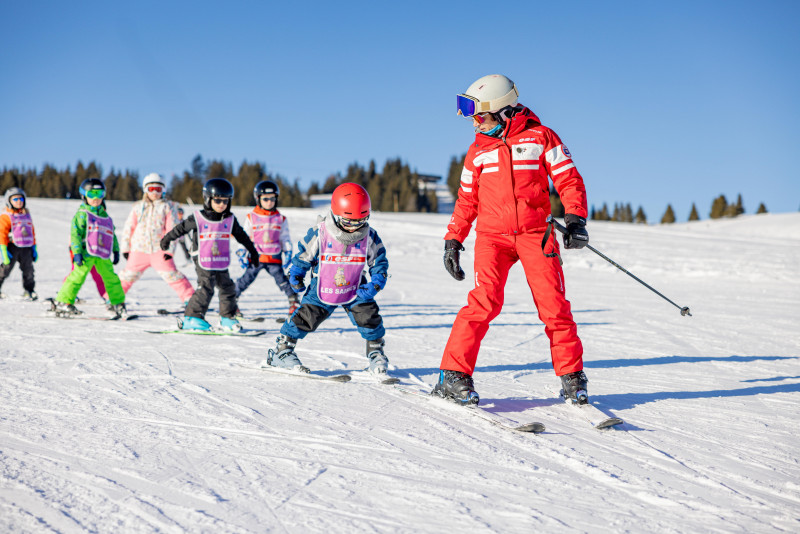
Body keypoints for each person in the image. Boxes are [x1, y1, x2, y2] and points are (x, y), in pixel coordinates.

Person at [434, 74, 590, 405]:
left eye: (482, 116)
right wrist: (453, 239)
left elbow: (568, 178)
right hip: (492, 238)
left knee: (554, 306)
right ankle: (453, 375)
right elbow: (466, 201)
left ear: (505, 111)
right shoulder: (477, 152)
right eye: (473, 118)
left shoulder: (541, 138)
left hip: (537, 234)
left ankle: (572, 376)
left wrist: (575, 218)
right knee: (483, 302)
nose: (476, 124)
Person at [264, 183, 389, 375]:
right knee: (307, 316)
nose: (354, 228)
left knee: (368, 316)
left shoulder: (369, 236)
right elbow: (305, 254)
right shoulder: (321, 233)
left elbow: (379, 261)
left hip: (356, 286)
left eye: (361, 221)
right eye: (349, 222)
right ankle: (282, 351)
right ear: (336, 215)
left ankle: (375, 353)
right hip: (323, 284)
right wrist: (296, 272)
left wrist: (376, 283)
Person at [160, 178, 259, 331]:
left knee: (228, 288)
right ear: (208, 199)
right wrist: (167, 239)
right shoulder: (198, 218)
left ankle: (227, 318)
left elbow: (242, 236)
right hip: (202, 258)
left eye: (225, 201)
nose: (222, 205)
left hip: (220, 259)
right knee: (206, 287)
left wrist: (253, 251)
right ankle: (192, 318)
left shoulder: (229, 219)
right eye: (218, 201)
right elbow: (180, 229)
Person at [53, 178, 128, 317]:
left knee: (111, 278)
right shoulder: (82, 215)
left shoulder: (105, 216)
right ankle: (63, 302)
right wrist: (76, 252)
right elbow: (75, 234)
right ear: (84, 196)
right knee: (77, 277)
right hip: (85, 252)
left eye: (100, 194)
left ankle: (117, 302)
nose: (96, 198)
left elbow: (111, 234)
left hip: (102, 254)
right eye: (92, 194)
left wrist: (116, 250)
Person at [118, 173, 194, 305]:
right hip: (139, 249)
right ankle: (113, 299)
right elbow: (128, 227)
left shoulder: (167, 207)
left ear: (163, 191)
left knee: (172, 275)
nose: (154, 192)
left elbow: (172, 229)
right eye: (151, 189)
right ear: (145, 190)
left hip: (160, 251)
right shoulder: (138, 207)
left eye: (158, 189)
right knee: (127, 276)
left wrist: (169, 251)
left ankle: (190, 299)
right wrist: (125, 248)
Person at [234, 180, 298, 316]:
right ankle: (230, 301)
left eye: (272, 198)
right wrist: (241, 252)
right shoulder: (252, 217)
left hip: (274, 257)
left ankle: (294, 303)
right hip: (256, 257)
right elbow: (244, 237)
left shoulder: (280, 218)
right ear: (258, 199)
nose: (269, 202)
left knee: (283, 281)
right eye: (266, 199)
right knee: (246, 280)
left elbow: (285, 237)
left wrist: (288, 251)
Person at [0, 187, 38, 300]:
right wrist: (4, 250)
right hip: (12, 247)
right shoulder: (6, 216)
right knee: (5, 270)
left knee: (29, 270)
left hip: (26, 247)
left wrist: (34, 248)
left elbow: (32, 231)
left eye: (21, 199)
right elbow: (1, 233)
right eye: (15, 199)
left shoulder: (26, 215)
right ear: (9, 201)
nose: (19, 202)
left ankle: (29, 290)